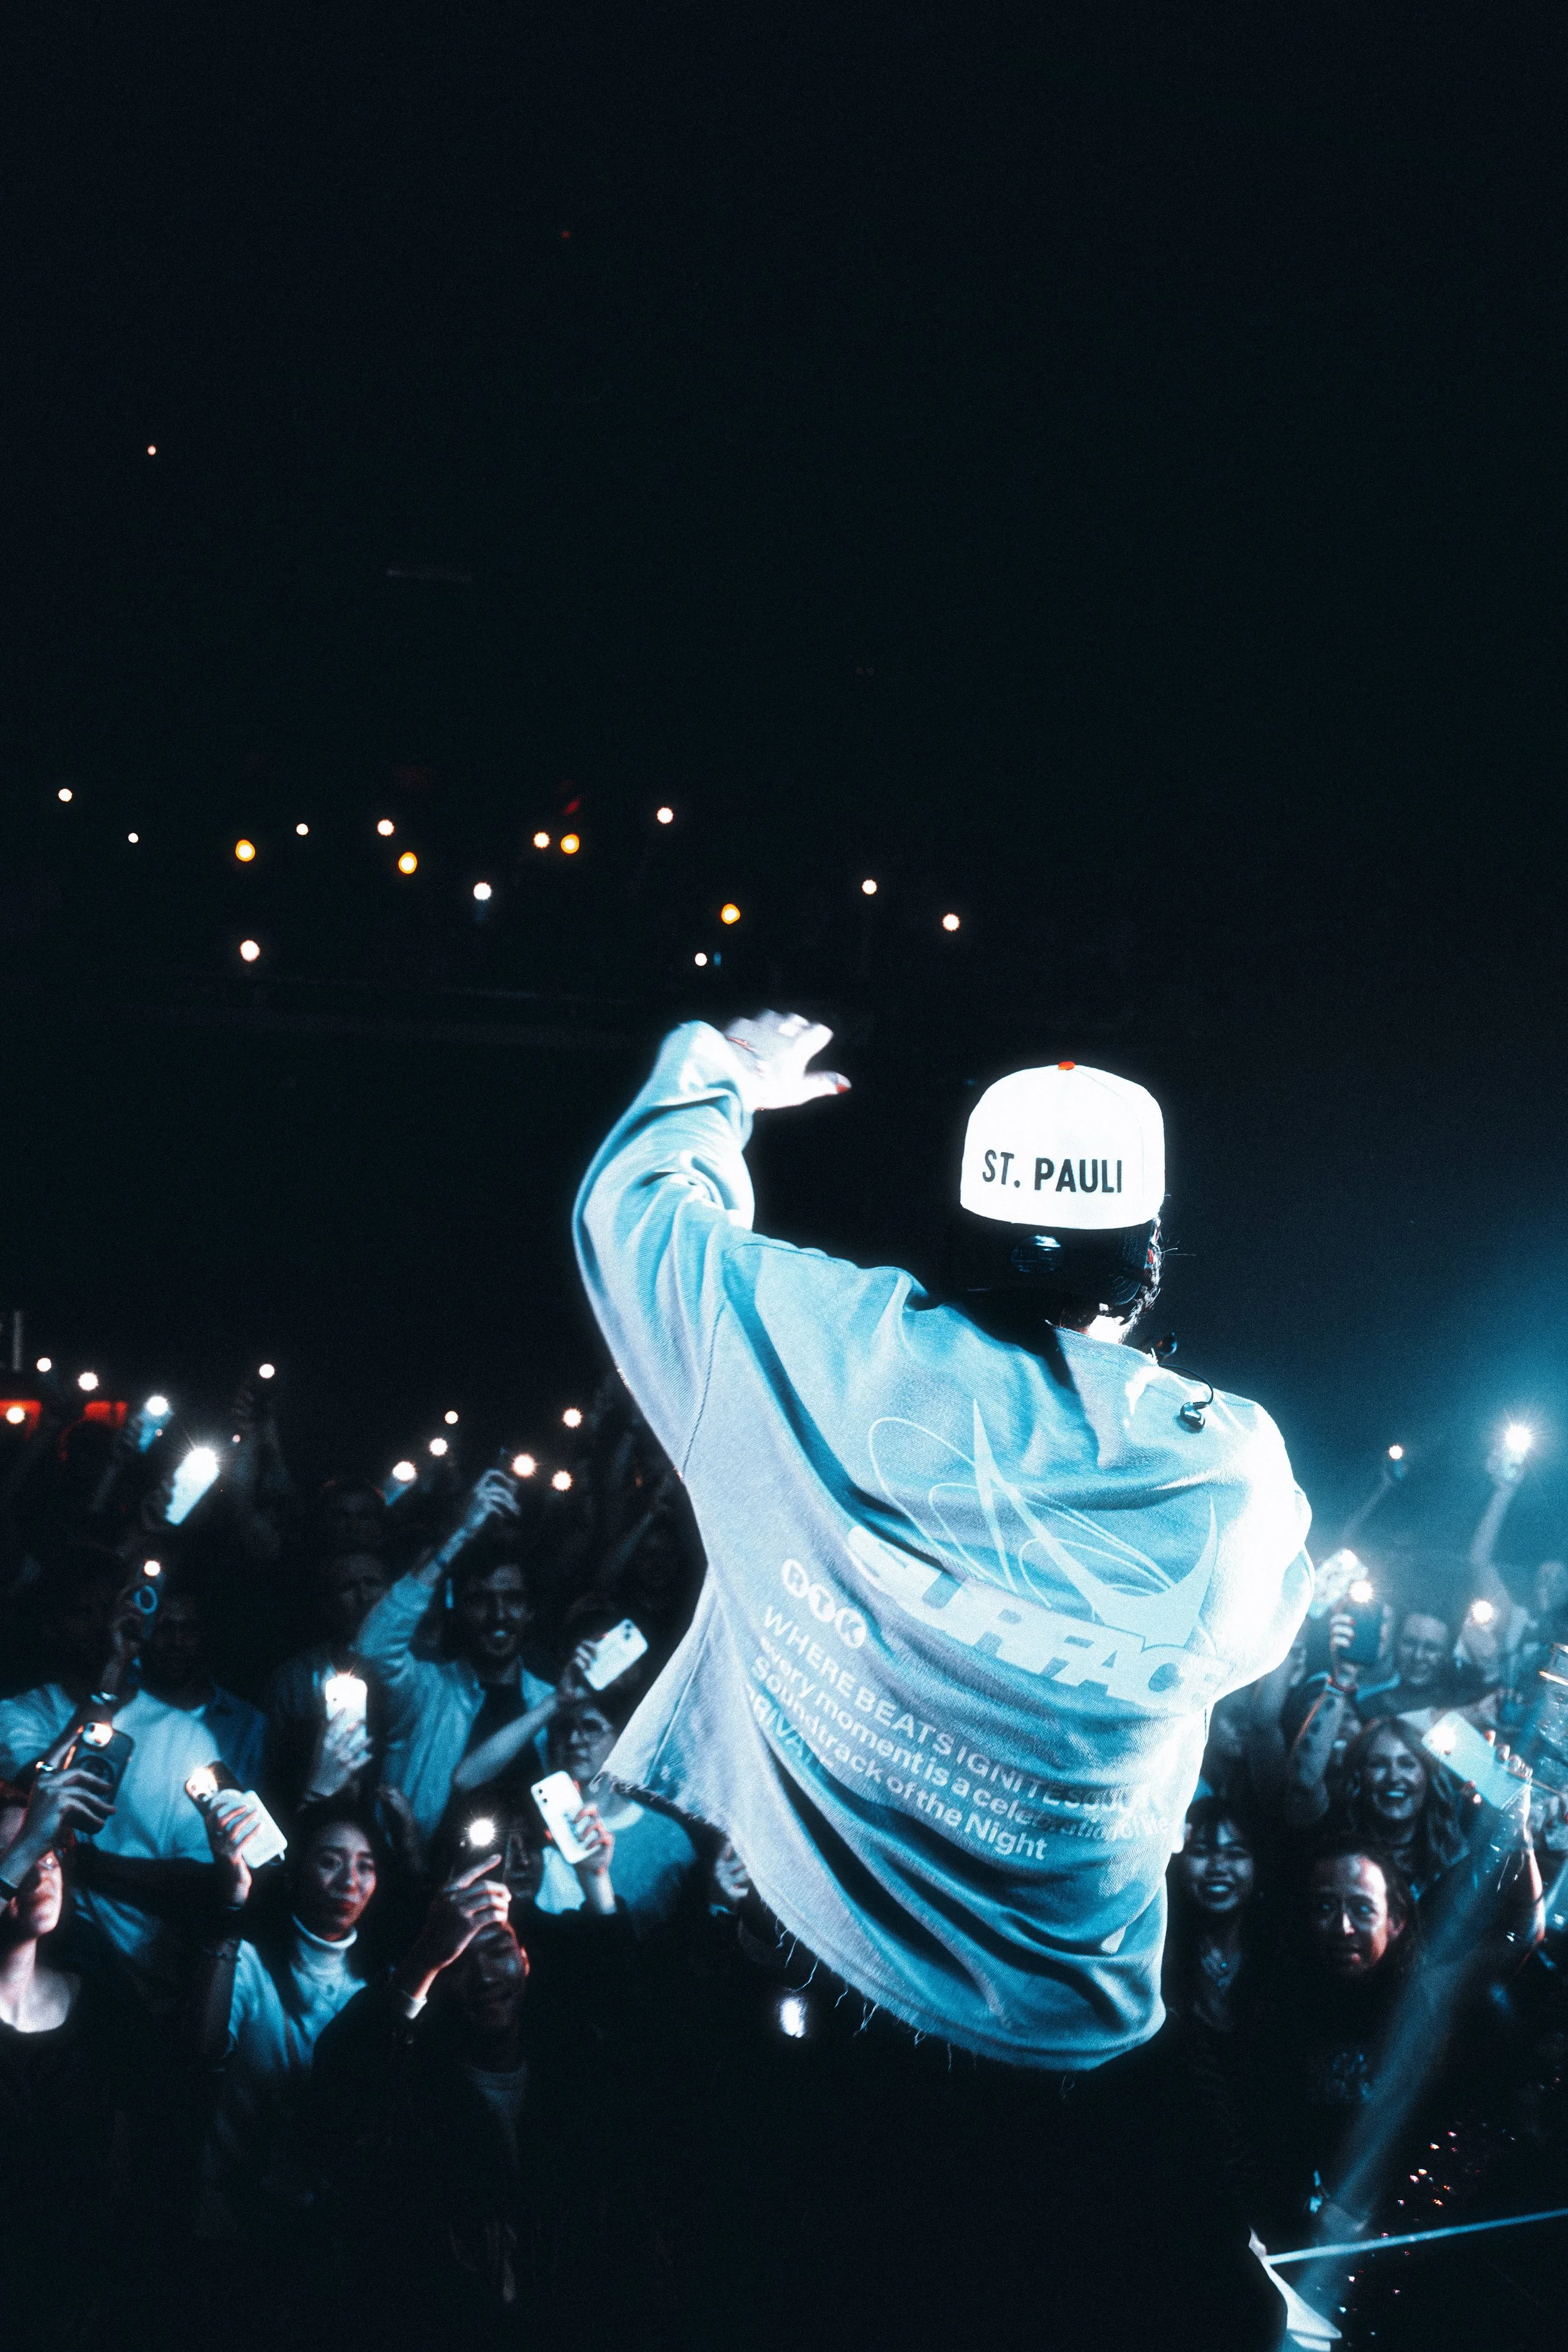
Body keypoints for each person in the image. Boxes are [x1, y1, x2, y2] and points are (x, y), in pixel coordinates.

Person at [573, 1010, 1312, 2347]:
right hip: (1090, 2076)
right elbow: (1258, 1638)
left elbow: (634, 1211)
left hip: (828, 2064)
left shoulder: (813, 1341)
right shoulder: (1230, 1474)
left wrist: (720, 1089)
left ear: (965, 1224)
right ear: (1144, 1263)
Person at [311, 1806, 622, 2349]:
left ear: (525, 1959)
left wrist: (597, 1880)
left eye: (497, 1950)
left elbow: (635, 2014)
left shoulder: (569, 2066)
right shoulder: (415, 2083)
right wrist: (429, 1953)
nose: (480, 1976)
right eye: (457, 1963)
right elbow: (344, 2079)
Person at [0, 1569, 267, 1999]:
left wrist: (88, 1866)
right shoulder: (20, 1714)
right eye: (82, 1613)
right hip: (30, 1962)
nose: (101, 1626)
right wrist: (108, 1684)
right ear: (51, 1628)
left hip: (138, 1975)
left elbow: (201, 1879)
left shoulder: (185, 1736)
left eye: (109, 1610)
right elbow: (36, 1800)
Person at [188, 1798, 383, 2236]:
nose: (349, 1882)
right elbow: (201, 2050)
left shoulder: (377, 1989)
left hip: (322, 2230)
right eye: (330, 1861)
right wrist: (232, 1900)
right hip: (225, 2216)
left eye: (366, 1866)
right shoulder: (248, 1964)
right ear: (295, 1873)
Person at [0, 1764, 138, 2341]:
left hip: (79, 2309)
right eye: (15, 1851)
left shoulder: (99, 2005)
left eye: (50, 1850)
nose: (40, 1867)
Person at [356, 1475, 553, 1845]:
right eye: (482, 1601)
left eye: (513, 1600)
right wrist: (459, 1536)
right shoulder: (427, 1690)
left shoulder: (550, 1700)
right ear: (457, 1611)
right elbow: (373, 1647)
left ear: (530, 1612)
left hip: (530, 1887)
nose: (500, 1615)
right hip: (422, 1881)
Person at [532, 1688, 699, 1935]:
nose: (575, 1739)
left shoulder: (666, 1835)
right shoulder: (538, 1831)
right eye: (565, 1728)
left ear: (621, 1738)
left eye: (591, 1728)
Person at [262, 1551, 389, 1814]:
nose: (363, 1596)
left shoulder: (409, 1676)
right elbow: (274, 1767)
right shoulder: (294, 1679)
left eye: (372, 1583)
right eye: (348, 1587)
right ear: (328, 1604)